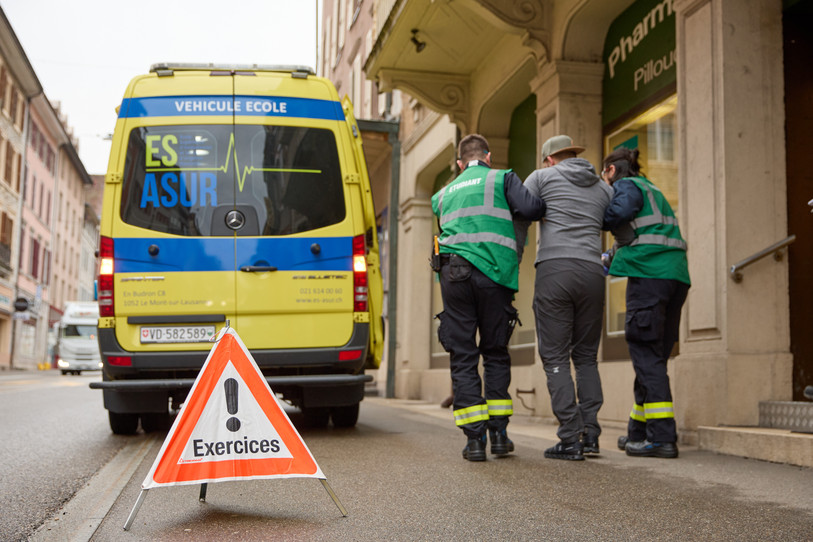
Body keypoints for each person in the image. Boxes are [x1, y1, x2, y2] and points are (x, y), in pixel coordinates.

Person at [431, 134, 546, 462]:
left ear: (459, 163)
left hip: (454, 275)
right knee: (495, 351)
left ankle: (473, 441)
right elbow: (531, 208)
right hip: (494, 276)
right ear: (488, 157)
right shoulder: (502, 177)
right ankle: (499, 435)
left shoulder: (441, 195)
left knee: (463, 353)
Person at [521, 135, 612, 461]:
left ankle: (570, 437)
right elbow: (617, 223)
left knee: (556, 357)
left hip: (555, 271)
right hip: (592, 272)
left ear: (549, 158)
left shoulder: (541, 177)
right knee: (586, 357)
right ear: (575, 155)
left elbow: (523, 216)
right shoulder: (603, 187)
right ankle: (591, 436)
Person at [601, 147, 690, 459]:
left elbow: (617, 214)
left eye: (604, 176)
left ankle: (662, 438)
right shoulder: (652, 188)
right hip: (675, 277)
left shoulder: (626, 186)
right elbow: (642, 233)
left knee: (646, 355)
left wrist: (595, 214)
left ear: (611, 171)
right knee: (652, 358)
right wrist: (613, 255)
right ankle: (637, 432)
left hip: (649, 276)